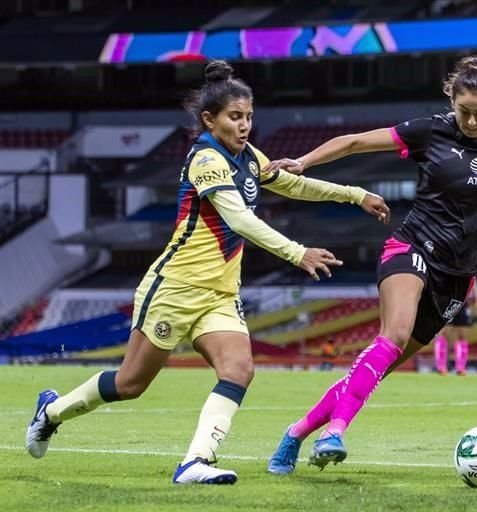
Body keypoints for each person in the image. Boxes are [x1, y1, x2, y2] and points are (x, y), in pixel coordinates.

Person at [24, 60, 391, 485]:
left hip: (219, 294)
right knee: (130, 384)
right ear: (209, 119)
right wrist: (297, 252)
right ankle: (51, 411)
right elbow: (238, 218)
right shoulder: (205, 159)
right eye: (236, 117)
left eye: (249, 116)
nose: (245, 125)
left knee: (238, 369)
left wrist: (355, 194)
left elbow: (291, 183)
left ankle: (196, 461)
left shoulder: (248, 157)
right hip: (175, 288)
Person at [265, 56, 477, 475]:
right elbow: (354, 142)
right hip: (412, 248)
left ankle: (295, 434)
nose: (471, 121)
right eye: (463, 111)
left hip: (459, 274)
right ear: (452, 101)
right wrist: (303, 162)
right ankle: (333, 432)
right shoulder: (431, 130)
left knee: (377, 370)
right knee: (393, 336)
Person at [434, 279, 477, 375]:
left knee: (462, 335)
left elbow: (473, 279)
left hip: (463, 303)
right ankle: (441, 367)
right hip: (447, 300)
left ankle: (461, 368)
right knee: (444, 332)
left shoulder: (467, 265)